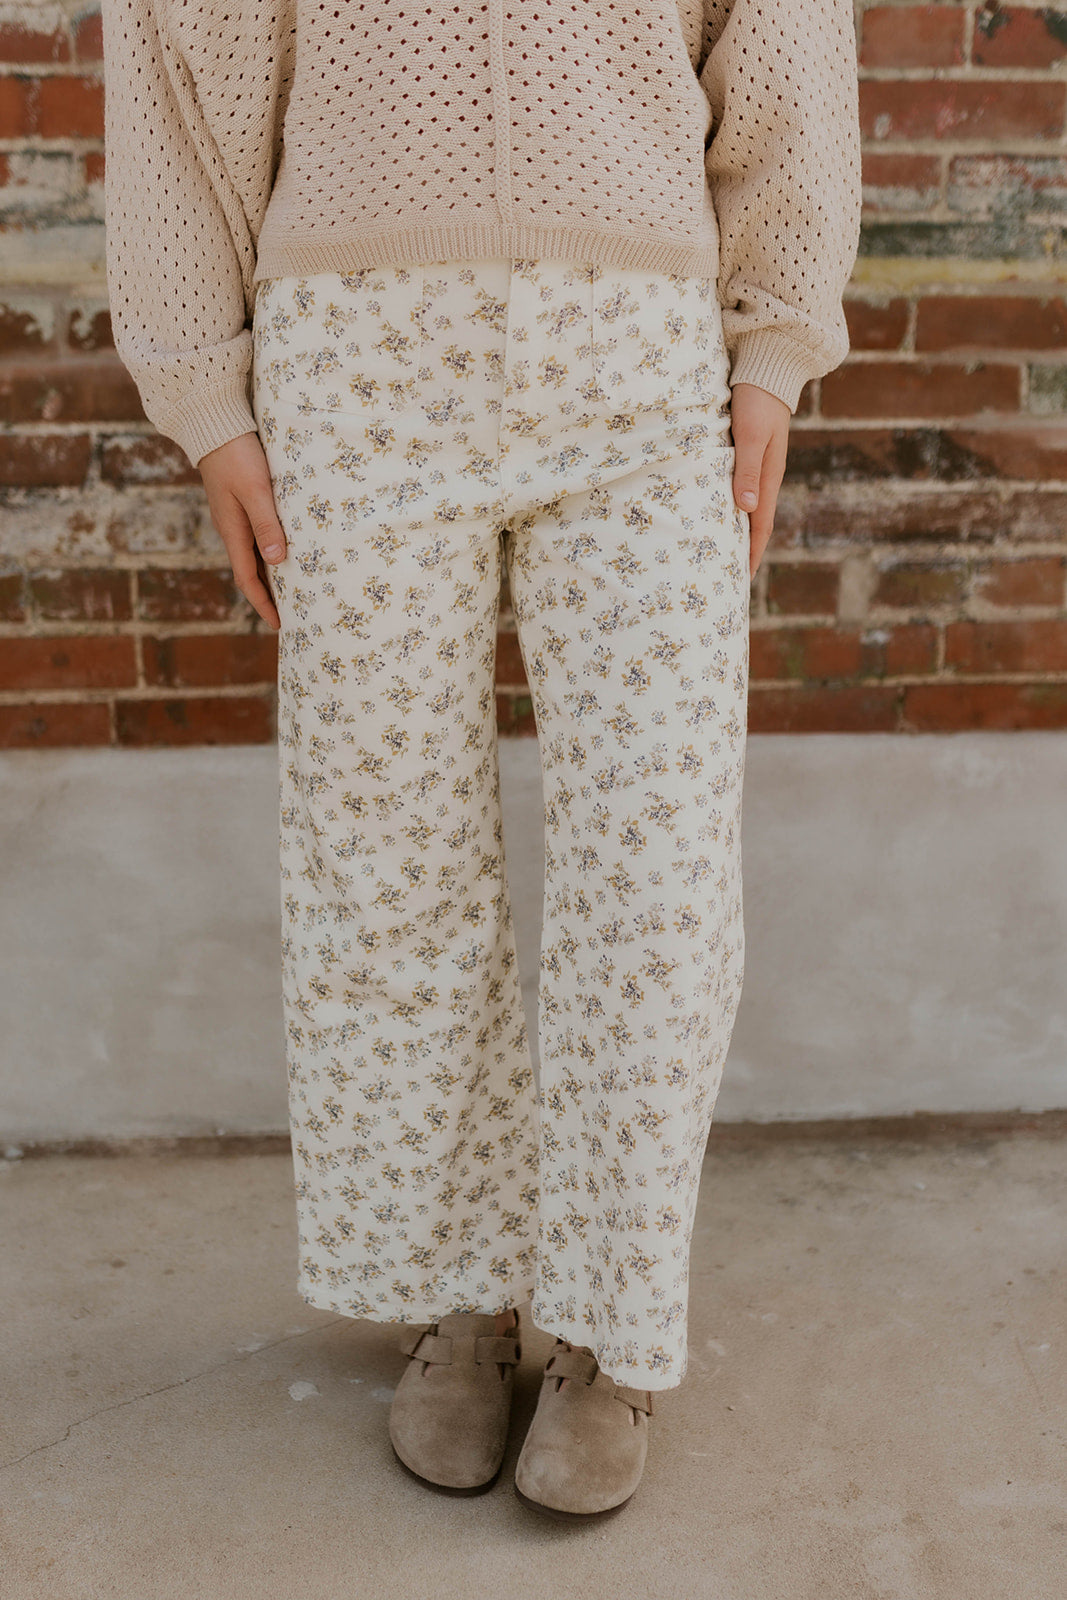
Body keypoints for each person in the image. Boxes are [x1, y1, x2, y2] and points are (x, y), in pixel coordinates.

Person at [100, 0, 862, 1520]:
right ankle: (457, 1290)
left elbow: (780, 32)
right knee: (387, 863)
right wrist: (206, 399)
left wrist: (775, 340)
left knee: (655, 871)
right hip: (356, 362)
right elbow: (177, 47)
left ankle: (611, 1321)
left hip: (640, 360)